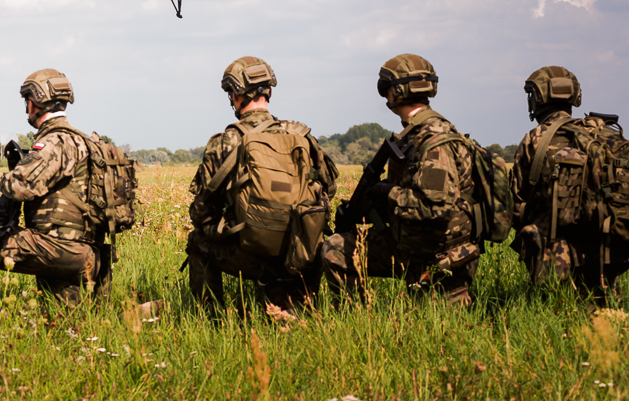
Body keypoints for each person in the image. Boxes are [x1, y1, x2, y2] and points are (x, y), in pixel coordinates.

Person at [322, 54, 480, 305]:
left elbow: (435, 206)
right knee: (336, 246)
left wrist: (387, 192)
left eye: (386, 89)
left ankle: (353, 315)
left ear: (395, 91)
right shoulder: (426, 132)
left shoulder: (432, 141)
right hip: (419, 245)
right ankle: (356, 322)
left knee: (434, 322)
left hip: (440, 257)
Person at [0, 69, 112, 305]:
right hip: (88, 252)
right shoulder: (85, 142)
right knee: (65, 323)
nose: (27, 107)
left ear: (35, 102)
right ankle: (143, 314)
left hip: (58, 248)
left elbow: (20, 186)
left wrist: (10, 174)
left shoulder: (56, 141)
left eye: (28, 101)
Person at [185, 56, 338, 313]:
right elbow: (329, 188)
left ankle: (209, 319)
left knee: (198, 242)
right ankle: (301, 301)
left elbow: (200, 212)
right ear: (268, 91)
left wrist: (230, 224)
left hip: (252, 254)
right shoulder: (301, 135)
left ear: (236, 93)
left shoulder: (225, 142)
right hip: (302, 251)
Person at [511, 66, 628, 300]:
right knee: (604, 308)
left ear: (537, 97)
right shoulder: (604, 135)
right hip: (608, 246)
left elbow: (516, 201)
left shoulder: (535, 139)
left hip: (555, 255)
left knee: (556, 310)